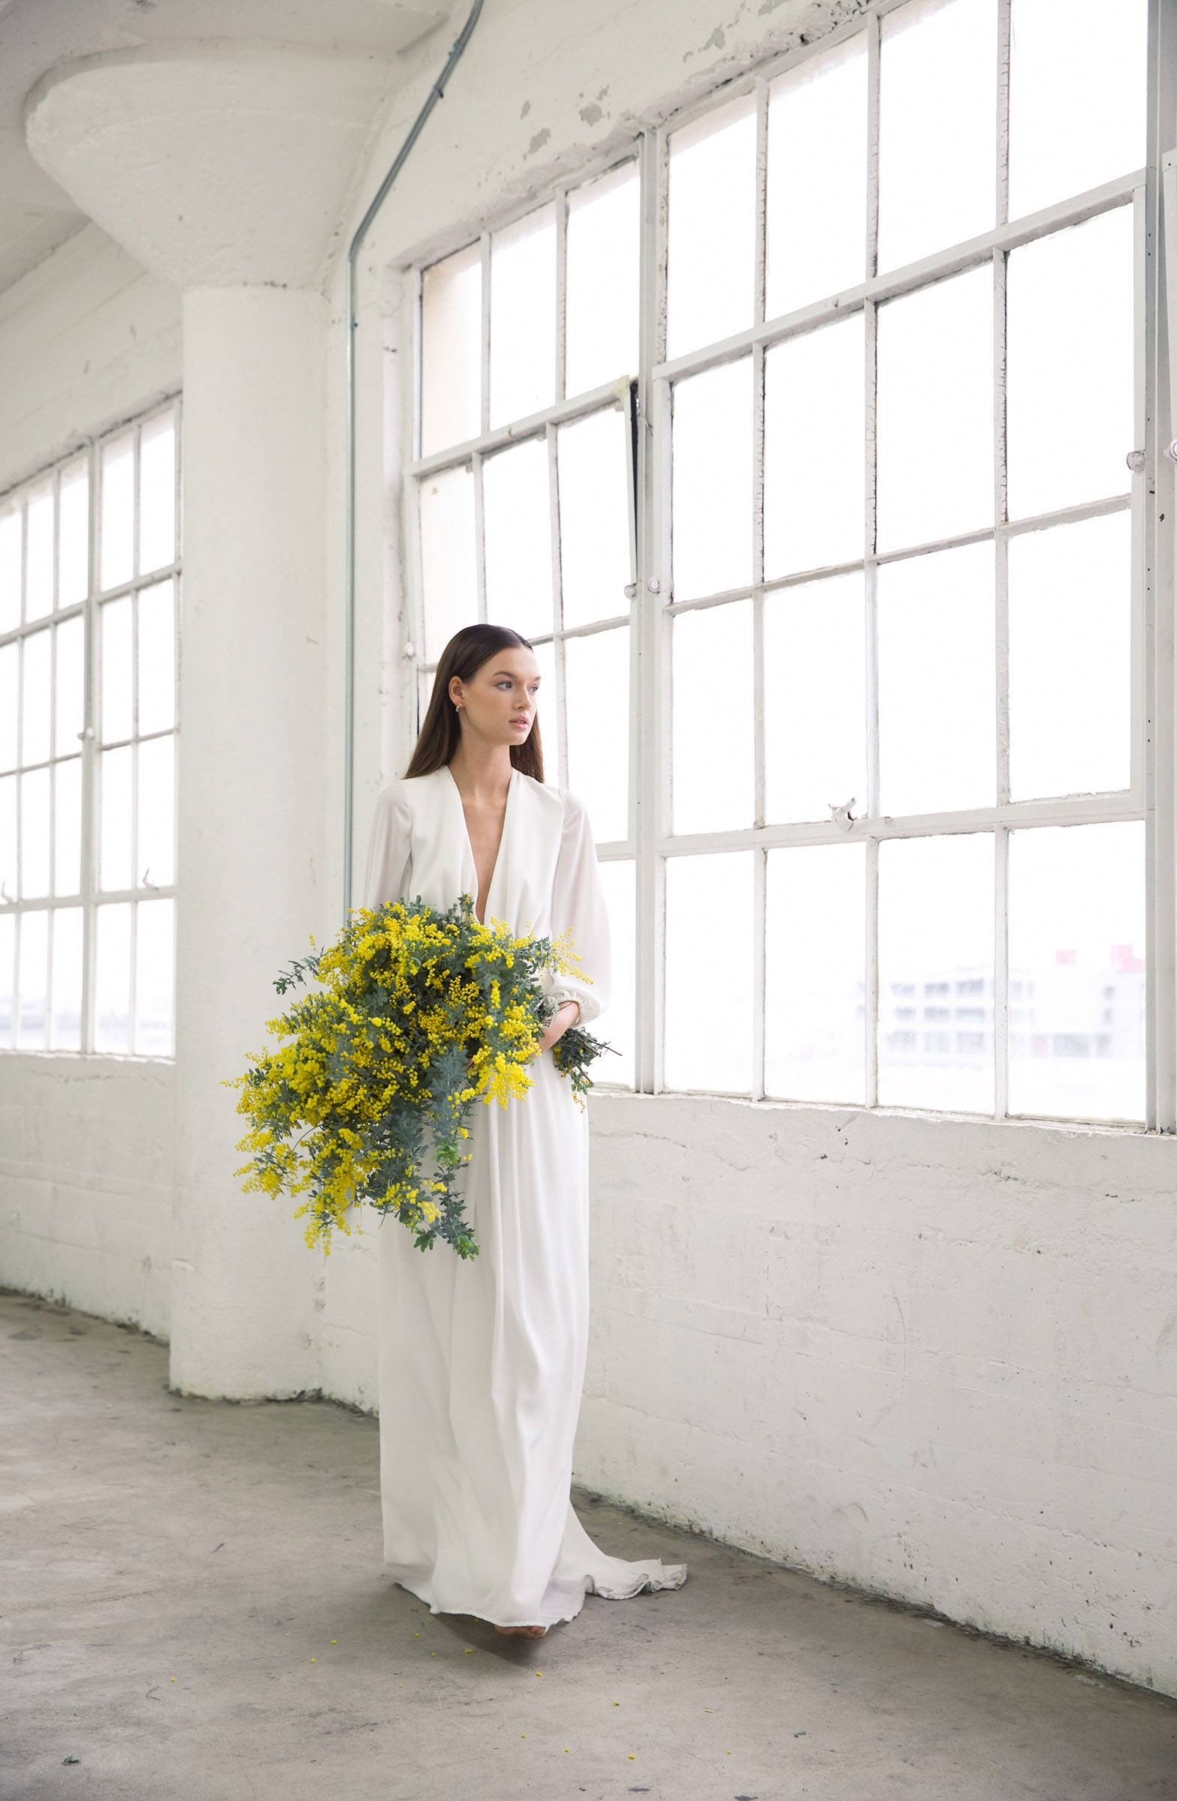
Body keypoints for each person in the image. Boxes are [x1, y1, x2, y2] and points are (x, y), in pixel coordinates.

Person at [361, 621, 688, 1639]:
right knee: (440, 1323)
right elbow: (370, 951)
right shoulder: (406, 806)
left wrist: (559, 1015)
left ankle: (513, 1573)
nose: (525, 702)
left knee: (532, 1325)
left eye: (534, 687)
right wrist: (408, 1038)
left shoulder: (562, 814)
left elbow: (589, 962)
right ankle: (438, 1544)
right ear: (455, 691)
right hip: (435, 1098)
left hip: (535, 1097)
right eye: (505, 683)